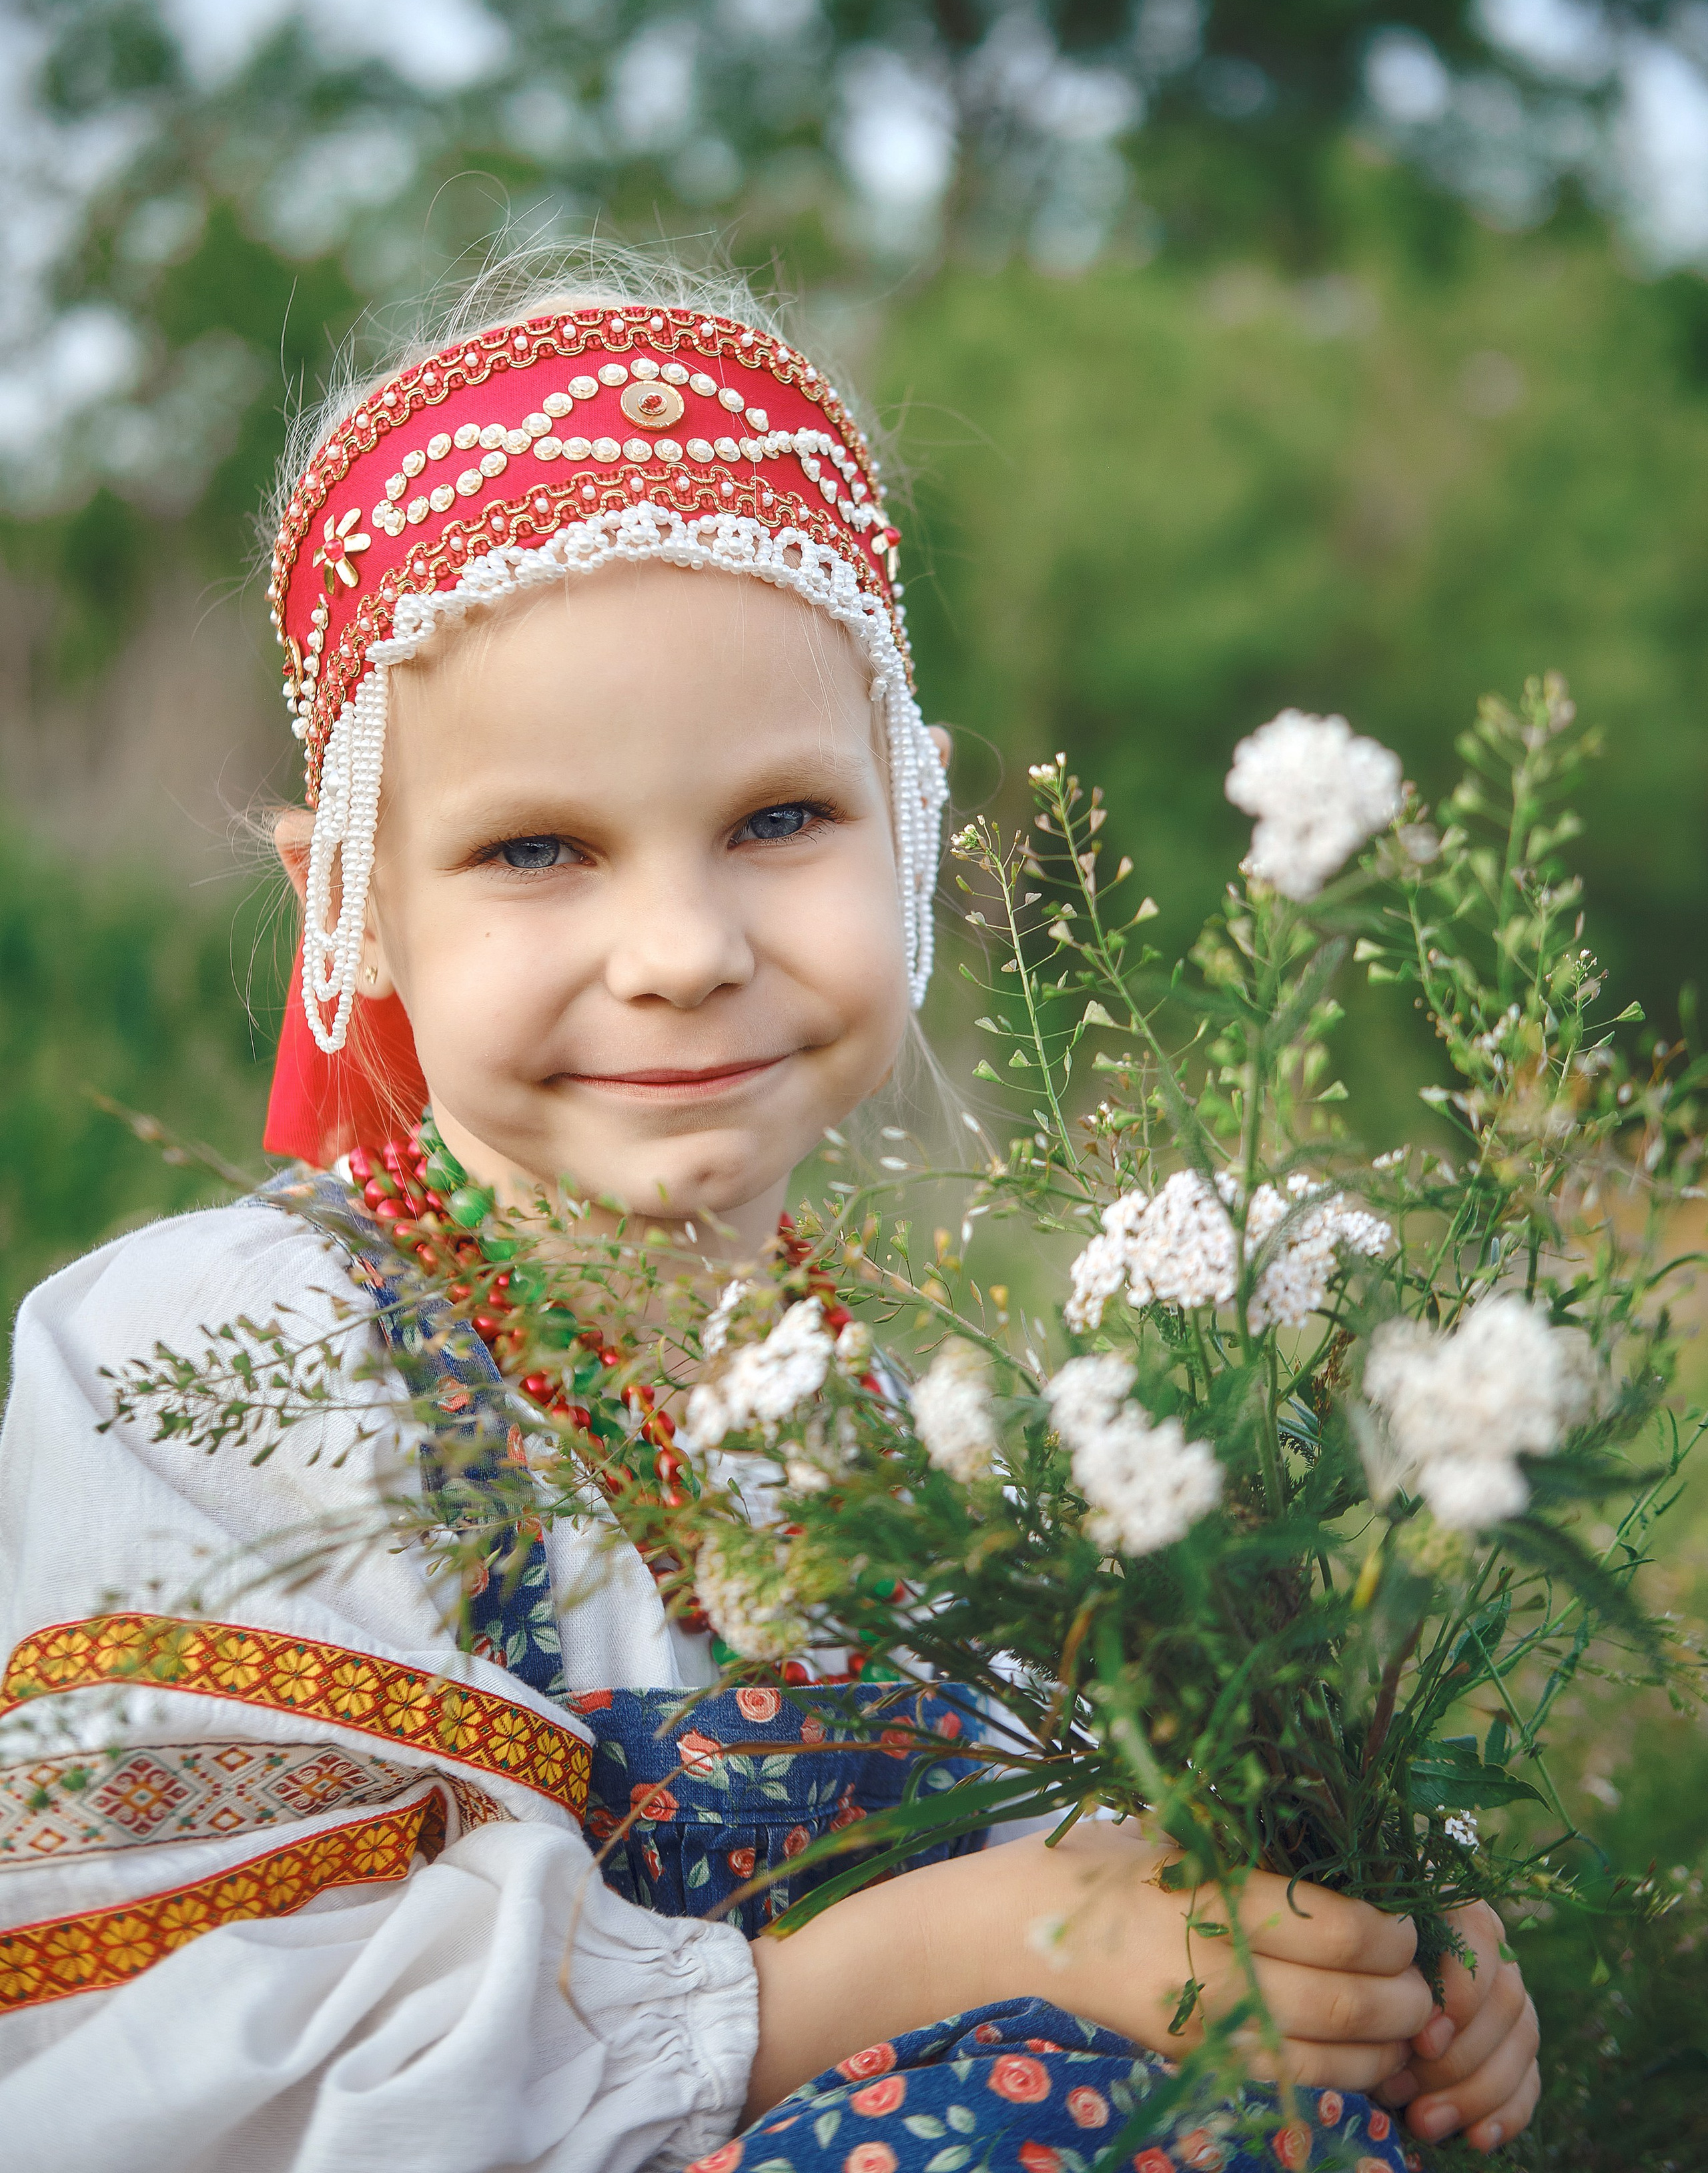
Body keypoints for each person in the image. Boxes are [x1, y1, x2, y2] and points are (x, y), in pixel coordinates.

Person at [0, 254, 1540, 2168]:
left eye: (780, 822)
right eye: (536, 850)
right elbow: (174, 2084)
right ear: (355, 900)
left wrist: (1357, 1950)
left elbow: (1115, 1877)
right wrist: (907, 1969)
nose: (681, 949)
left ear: (916, 816)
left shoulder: (905, 1427)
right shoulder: (217, 1361)